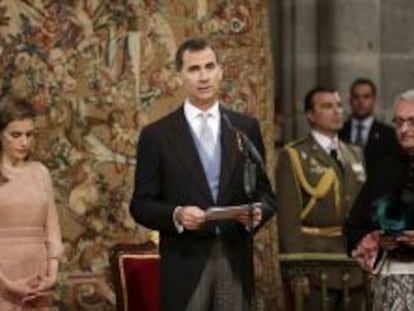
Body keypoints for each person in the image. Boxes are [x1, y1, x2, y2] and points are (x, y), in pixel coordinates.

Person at [129, 37, 277, 311]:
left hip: (234, 260)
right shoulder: (157, 136)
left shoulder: (245, 128)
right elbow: (140, 205)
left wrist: (257, 212)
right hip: (185, 264)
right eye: (194, 69)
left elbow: (265, 194)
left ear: (220, 72)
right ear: (179, 77)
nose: (204, 76)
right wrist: (177, 215)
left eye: (209, 67)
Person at [276, 87, 367, 310]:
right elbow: (288, 219)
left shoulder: (354, 153)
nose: (336, 111)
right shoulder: (295, 155)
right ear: (310, 115)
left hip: (353, 263)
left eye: (338, 105)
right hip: (316, 263)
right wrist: (297, 272)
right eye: (327, 106)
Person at [346, 89, 414, 310]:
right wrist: (377, 239)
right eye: (399, 122)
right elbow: (354, 227)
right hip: (392, 279)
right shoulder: (384, 168)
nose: (404, 130)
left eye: (412, 122)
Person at [0, 97, 63, 310]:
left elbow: (52, 229)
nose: (24, 142)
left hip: (37, 276)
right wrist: (6, 284)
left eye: (29, 134)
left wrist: (51, 273)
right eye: (16, 135)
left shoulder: (40, 172)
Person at [339, 78, 399, 176]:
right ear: (350, 100)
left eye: (366, 97)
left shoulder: (388, 134)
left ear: (374, 100)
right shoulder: (338, 132)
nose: (361, 101)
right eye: (356, 97)